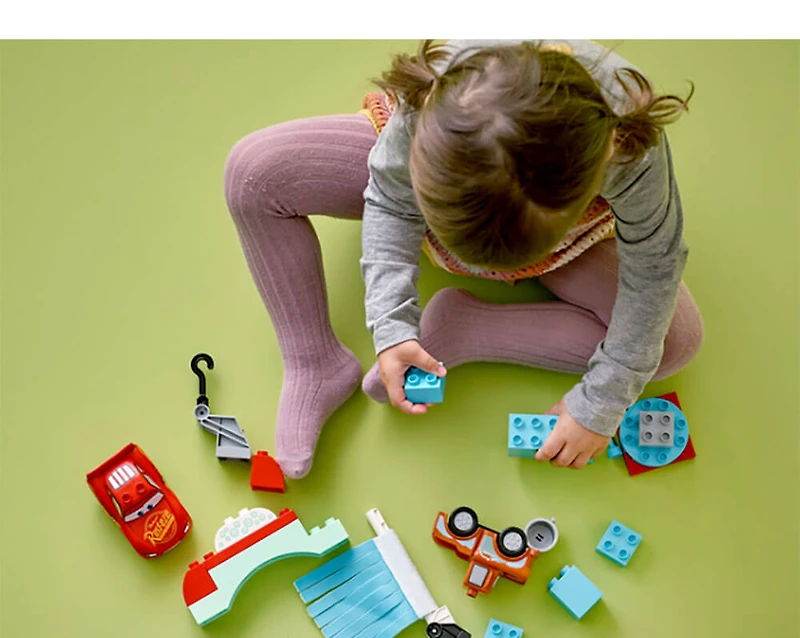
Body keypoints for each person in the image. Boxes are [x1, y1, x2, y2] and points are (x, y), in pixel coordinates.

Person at [224, 39, 704, 479]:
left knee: (674, 343)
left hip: (565, 242)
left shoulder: (626, 145)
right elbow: (391, 200)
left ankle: (467, 327)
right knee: (252, 174)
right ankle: (314, 359)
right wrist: (391, 325)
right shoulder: (440, 92)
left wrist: (603, 401)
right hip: (434, 179)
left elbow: (654, 265)